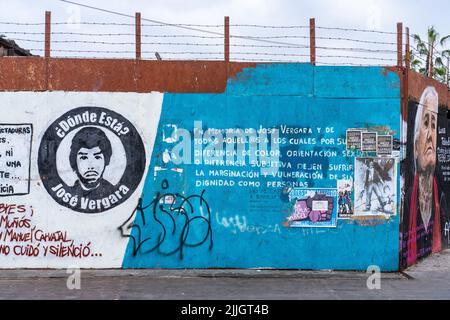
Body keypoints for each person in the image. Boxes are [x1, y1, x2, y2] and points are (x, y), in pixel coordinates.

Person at [406, 86, 441, 267]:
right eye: (425, 124)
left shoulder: (440, 197)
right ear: (415, 143)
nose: (429, 136)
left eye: (434, 125)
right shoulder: (408, 192)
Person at [69, 126, 116, 198]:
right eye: (84, 157)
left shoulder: (113, 193)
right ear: (74, 162)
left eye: (97, 157)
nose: (91, 166)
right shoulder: (70, 194)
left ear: (106, 160)